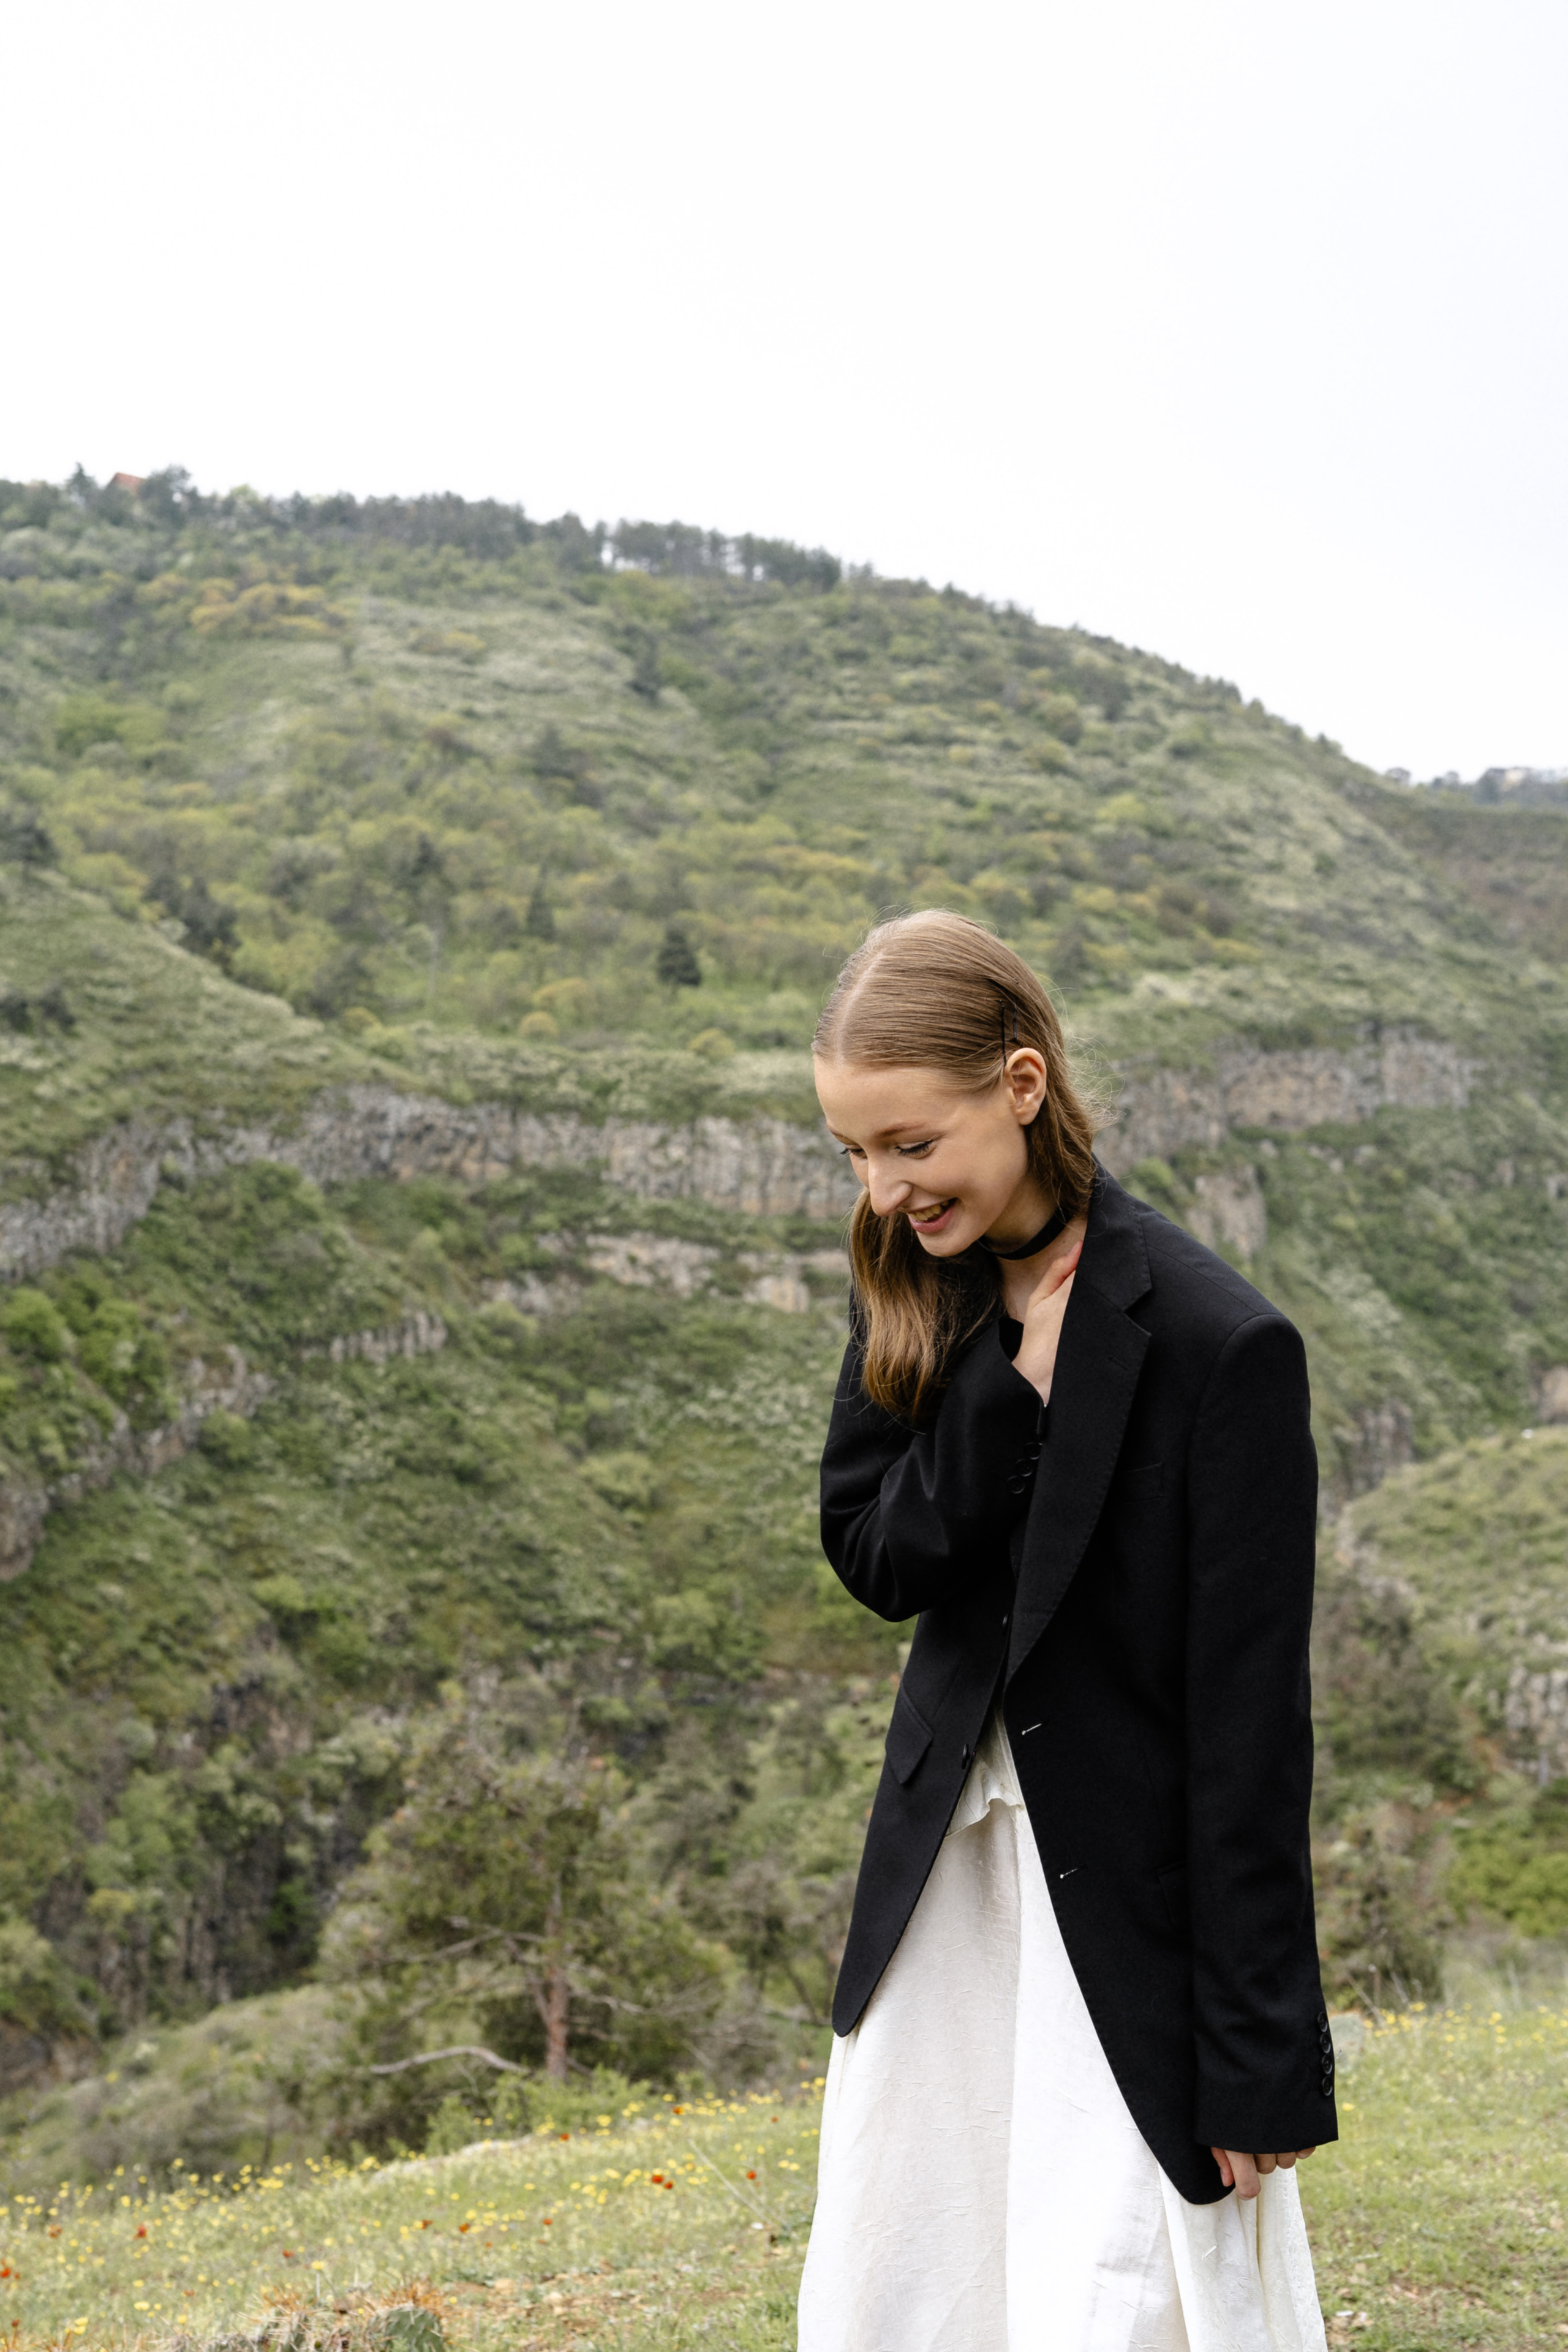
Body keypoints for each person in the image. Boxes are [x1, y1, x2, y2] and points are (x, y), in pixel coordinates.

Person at [796, 911, 1333, 2352]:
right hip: (946, 1889)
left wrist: (1255, 2059)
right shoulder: (912, 1276)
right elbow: (877, 1554)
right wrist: (1002, 1395)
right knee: (916, 2274)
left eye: (909, 1142)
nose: (882, 1186)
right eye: (853, 1152)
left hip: (1129, 1913)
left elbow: (1247, 1729)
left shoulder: (1223, 1346)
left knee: (1113, 2293)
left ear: (1020, 1086)